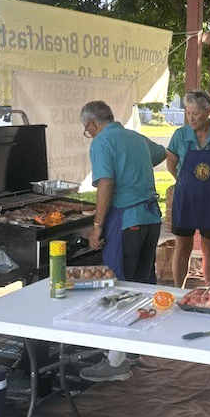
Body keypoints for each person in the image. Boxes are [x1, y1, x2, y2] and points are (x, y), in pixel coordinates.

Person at [78, 101, 166, 383]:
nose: (88, 133)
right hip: (151, 218)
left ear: (92, 124)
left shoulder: (102, 142)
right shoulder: (135, 137)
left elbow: (106, 184)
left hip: (128, 220)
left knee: (122, 285)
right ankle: (131, 349)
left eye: (86, 129)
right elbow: (161, 153)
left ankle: (116, 362)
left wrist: (96, 226)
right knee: (141, 282)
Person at [166, 89, 210, 287]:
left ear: (208, 113)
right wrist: (182, 180)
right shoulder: (180, 135)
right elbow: (171, 162)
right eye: (187, 113)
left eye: (195, 113)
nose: (191, 117)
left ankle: (209, 290)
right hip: (185, 198)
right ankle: (179, 289)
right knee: (182, 247)